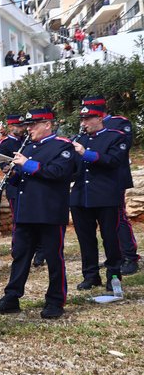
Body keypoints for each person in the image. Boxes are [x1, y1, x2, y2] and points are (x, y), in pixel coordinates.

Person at [0, 108, 76, 319]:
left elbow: (58, 173)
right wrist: (13, 172)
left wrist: (27, 165)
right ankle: (12, 297)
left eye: (34, 125)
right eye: (27, 125)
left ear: (48, 124)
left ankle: (55, 301)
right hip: (26, 210)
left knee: (54, 258)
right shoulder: (27, 146)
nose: (29, 129)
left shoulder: (62, 146)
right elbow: (22, 179)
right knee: (20, 255)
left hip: (49, 211)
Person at [70, 103, 126, 292]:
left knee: (110, 238)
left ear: (99, 118)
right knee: (85, 239)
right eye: (82, 120)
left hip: (105, 196)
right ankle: (91, 275)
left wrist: (86, 153)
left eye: (88, 119)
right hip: (80, 197)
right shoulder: (78, 140)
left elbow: (113, 161)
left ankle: (114, 275)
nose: (84, 123)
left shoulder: (115, 137)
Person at [82, 95, 139, 274]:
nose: (85, 119)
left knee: (119, 218)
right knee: (103, 224)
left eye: (88, 113)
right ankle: (115, 257)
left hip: (114, 178)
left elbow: (121, 150)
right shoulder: (85, 127)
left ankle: (130, 256)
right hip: (92, 180)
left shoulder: (119, 123)